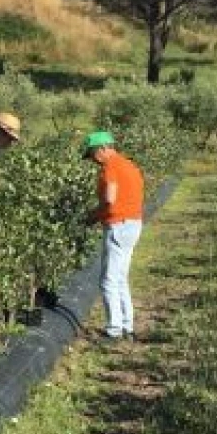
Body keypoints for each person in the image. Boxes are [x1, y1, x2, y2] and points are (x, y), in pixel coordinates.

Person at [83, 129, 144, 340]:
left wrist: (92, 216)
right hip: (133, 224)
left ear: (103, 149)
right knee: (120, 278)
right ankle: (128, 326)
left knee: (108, 280)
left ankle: (114, 330)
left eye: (92, 154)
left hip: (118, 225)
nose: (93, 160)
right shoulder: (129, 165)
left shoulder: (110, 167)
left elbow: (110, 199)